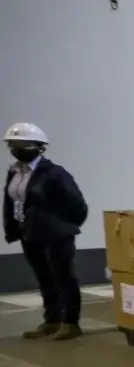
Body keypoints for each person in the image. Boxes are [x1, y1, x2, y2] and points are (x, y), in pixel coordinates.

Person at [3, 122, 88, 341]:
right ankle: (52, 320)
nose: (15, 149)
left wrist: (63, 226)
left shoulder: (54, 173)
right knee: (44, 278)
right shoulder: (14, 172)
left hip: (56, 235)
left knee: (63, 277)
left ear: (39, 147)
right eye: (11, 144)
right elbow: (12, 200)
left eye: (22, 144)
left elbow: (78, 205)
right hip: (28, 233)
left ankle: (71, 322)